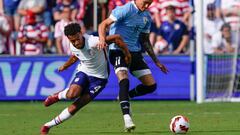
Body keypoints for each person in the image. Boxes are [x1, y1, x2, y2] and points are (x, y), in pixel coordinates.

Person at [40, 23, 131, 135]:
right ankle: (57, 96)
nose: (76, 43)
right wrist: (65, 66)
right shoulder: (72, 44)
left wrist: (127, 55)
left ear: (81, 33)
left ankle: (48, 125)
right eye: (72, 41)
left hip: (100, 79)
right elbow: (75, 56)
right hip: (84, 71)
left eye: (77, 39)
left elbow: (117, 38)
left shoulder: (93, 41)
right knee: (72, 94)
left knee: (78, 105)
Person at [98, 0, 168, 132]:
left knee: (151, 86)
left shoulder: (147, 17)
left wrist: (156, 61)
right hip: (117, 50)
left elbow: (145, 40)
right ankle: (127, 119)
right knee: (124, 79)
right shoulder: (125, 9)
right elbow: (103, 24)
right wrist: (102, 39)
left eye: (150, 3)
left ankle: (126, 96)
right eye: (145, 3)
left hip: (134, 52)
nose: (147, 6)